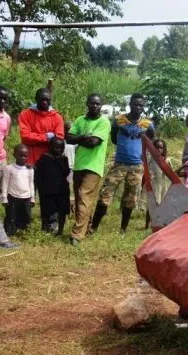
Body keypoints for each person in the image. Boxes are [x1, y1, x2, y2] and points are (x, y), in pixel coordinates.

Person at [90, 94, 154, 234]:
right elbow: (114, 138)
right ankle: (93, 227)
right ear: (130, 105)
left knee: (130, 199)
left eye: (141, 105)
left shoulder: (147, 124)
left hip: (137, 166)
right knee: (105, 194)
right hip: (119, 164)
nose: (138, 107)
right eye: (135, 104)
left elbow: (151, 139)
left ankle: (123, 230)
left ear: (143, 107)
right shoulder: (119, 120)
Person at [66, 93, 111, 246]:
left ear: (101, 105)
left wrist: (79, 137)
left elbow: (94, 142)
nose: (94, 106)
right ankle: (87, 227)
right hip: (79, 164)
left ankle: (77, 234)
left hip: (94, 166)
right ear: (87, 103)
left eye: (97, 103)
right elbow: (69, 138)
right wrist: (84, 137)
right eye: (92, 103)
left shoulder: (104, 122)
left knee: (83, 195)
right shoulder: (80, 120)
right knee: (81, 199)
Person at [18, 88, 65, 167]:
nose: (45, 102)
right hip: (30, 160)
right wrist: (47, 137)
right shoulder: (25, 114)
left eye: (47, 100)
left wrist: (34, 137)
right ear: (36, 99)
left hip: (49, 161)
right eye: (42, 99)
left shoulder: (57, 117)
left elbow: (59, 138)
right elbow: (25, 137)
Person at [35, 137, 70, 235]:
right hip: (47, 190)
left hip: (61, 190)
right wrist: (41, 187)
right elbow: (38, 172)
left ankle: (60, 231)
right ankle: (44, 229)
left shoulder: (64, 159)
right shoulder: (45, 157)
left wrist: (60, 160)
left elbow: (66, 172)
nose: (59, 150)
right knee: (46, 211)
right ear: (50, 147)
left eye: (62, 148)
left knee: (62, 211)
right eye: (57, 147)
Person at [1, 144, 34, 236]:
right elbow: (5, 183)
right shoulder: (9, 168)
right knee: (11, 216)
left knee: (26, 216)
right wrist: (4, 198)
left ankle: (23, 232)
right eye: (20, 155)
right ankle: (9, 232)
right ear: (14, 155)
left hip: (26, 197)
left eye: (25, 156)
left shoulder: (30, 170)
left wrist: (32, 198)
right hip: (13, 197)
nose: (23, 158)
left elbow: (31, 184)